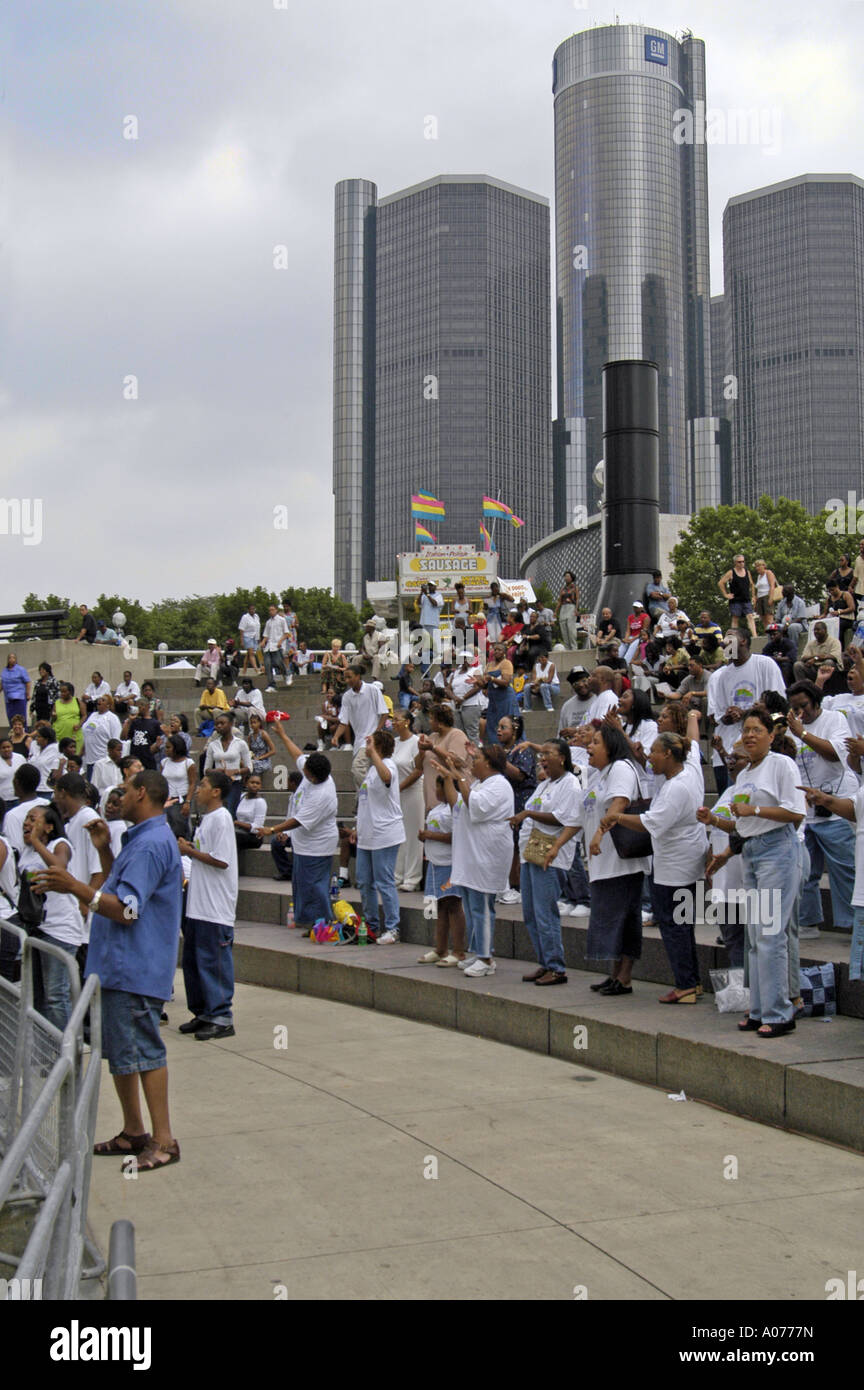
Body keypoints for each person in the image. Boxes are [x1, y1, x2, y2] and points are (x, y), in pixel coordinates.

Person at [37, 769, 183, 1170]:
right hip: (121, 967)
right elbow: (125, 890)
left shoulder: (152, 844)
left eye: (124, 792)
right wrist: (104, 853)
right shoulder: (142, 842)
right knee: (124, 1053)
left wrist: (74, 886)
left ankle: (164, 1140)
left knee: (145, 1050)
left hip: (134, 967)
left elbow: (128, 909)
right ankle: (135, 1131)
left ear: (142, 793)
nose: (116, 798)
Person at [708, 710, 805, 1036]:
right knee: (754, 936)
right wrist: (715, 822)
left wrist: (756, 809)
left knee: (771, 934)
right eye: (746, 730)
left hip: (778, 850)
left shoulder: (781, 765)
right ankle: (760, 1008)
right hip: (750, 850)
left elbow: (794, 812)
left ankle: (780, 1012)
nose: (749, 735)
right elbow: (743, 823)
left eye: (756, 730)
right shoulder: (745, 773)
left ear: (771, 734)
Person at [602, 733, 708, 1004]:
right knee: (682, 926)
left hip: (675, 866)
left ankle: (685, 984)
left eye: (654, 752)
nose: (649, 757)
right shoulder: (688, 773)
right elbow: (693, 741)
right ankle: (691, 981)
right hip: (684, 860)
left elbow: (652, 823)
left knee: (674, 926)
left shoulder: (676, 787)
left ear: (669, 754)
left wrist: (618, 817)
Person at [433, 743, 514, 977]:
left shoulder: (499, 785)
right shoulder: (479, 784)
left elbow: (476, 806)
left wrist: (459, 777)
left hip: (486, 858)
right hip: (471, 857)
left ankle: (486, 958)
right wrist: (449, 778)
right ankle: (479, 953)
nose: (472, 762)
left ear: (488, 763)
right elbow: (457, 805)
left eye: (476, 758)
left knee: (482, 909)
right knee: (472, 907)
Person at [786, 680, 857, 940]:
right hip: (807, 810)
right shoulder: (791, 726)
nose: (800, 713)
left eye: (803, 706)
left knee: (844, 868)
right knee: (806, 871)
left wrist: (802, 733)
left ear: (816, 701)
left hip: (835, 804)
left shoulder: (834, 720)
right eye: (794, 708)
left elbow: (834, 754)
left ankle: (852, 924)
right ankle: (808, 922)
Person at [513, 740, 582, 985]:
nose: (542, 759)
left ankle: (556, 967)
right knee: (530, 913)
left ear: (563, 757)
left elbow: (564, 819)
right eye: (541, 755)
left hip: (551, 856)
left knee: (545, 913)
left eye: (548, 754)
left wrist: (528, 813)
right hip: (532, 853)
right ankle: (544, 962)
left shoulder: (570, 785)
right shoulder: (547, 784)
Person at [176, 771, 238, 1040]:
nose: (197, 789)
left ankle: (222, 1016)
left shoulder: (222, 818)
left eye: (202, 785)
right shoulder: (207, 820)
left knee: (214, 962)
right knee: (195, 961)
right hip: (198, 905)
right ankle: (203, 1013)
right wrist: (192, 848)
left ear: (216, 792)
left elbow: (221, 859)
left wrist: (189, 852)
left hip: (215, 907)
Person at [264, 723, 338, 922]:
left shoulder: (322, 794)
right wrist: (282, 734)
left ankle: (324, 922)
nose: (302, 770)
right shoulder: (314, 771)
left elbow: (297, 821)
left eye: (305, 772)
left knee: (314, 886)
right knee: (302, 885)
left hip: (317, 846)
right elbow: (297, 755)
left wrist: (271, 829)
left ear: (313, 777)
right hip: (303, 844)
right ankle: (312, 922)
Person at [17, 802, 81, 1030]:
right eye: (26, 818)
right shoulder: (26, 851)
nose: (27, 823)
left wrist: (35, 842)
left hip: (60, 930)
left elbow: (59, 869)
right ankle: (49, 1055)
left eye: (33, 819)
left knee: (56, 996)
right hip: (37, 929)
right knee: (38, 998)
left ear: (49, 827)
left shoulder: (59, 844)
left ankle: (67, 1054)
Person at [706, 630, 786, 794]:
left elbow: (779, 707)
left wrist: (744, 713)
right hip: (733, 749)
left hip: (762, 748)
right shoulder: (722, 675)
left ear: (742, 641)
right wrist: (730, 716)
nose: (724, 643)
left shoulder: (765, 664)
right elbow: (720, 717)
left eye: (730, 638)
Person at [353, 728, 405, 943]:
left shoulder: (387, 765)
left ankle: (393, 928)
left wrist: (373, 753)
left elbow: (388, 777)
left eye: (370, 742)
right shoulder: (371, 770)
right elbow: (366, 803)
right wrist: (357, 828)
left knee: (384, 881)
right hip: (367, 835)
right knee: (364, 882)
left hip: (385, 833)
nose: (367, 746)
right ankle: (372, 925)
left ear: (379, 746)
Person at [417, 774, 468, 965]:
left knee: (453, 906)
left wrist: (432, 835)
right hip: (434, 864)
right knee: (437, 906)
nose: (436, 791)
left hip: (449, 865)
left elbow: (457, 836)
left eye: (439, 787)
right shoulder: (436, 809)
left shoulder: (456, 809)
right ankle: (440, 949)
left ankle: (458, 951)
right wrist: (425, 837)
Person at [497, 716, 536, 904]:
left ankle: (521, 886)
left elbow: (521, 775)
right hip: (507, 800)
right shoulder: (503, 750)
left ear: (515, 729)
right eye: (498, 727)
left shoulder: (523, 748)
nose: (498, 730)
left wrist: (500, 760)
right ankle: (511, 886)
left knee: (520, 843)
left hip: (523, 799)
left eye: (503, 727)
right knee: (509, 844)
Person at [332, 663, 389, 788]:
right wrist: (336, 736)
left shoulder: (373, 690)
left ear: (358, 676)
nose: (347, 680)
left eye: (350, 677)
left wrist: (376, 732)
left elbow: (384, 713)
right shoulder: (347, 696)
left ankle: (371, 792)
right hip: (358, 741)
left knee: (358, 767)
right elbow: (343, 721)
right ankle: (363, 800)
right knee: (362, 773)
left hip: (371, 739)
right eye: (345, 678)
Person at [391, 710, 423, 892]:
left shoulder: (416, 742)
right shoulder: (394, 743)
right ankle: (397, 875)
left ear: (407, 722)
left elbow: (418, 771)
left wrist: (400, 788)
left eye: (397, 719)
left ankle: (412, 877)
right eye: (393, 719)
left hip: (412, 792)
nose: (393, 722)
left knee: (412, 835)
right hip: (396, 795)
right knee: (398, 834)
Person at [203, 713, 252, 819]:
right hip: (217, 785)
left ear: (230, 724)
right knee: (216, 814)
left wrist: (235, 771)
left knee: (229, 813)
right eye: (216, 724)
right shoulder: (213, 745)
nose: (219, 726)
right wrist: (217, 771)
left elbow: (249, 768)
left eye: (222, 723)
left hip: (234, 783)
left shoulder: (240, 743)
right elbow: (206, 770)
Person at [477, 642, 519, 744]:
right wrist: (478, 682)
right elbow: (485, 685)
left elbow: (505, 682)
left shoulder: (506, 663)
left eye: (499, 650)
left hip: (505, 699)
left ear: (504, 652)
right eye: (495, 649)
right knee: (493, 726)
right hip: (494, 700)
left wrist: (491, 678)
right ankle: (496, 750)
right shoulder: (489, 664)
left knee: (508, 725)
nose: (496, 652)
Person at [268, 770, 302, 881]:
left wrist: (288, 834)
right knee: (275, 842)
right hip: (290, 831)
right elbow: (289, 818)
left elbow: (299, 821)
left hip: (301, 833)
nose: (286, 784)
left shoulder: (303, 797)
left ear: (293, 783)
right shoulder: (291, 796)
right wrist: (282, 833)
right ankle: (286, 872)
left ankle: (299, 873)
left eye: (287, 781)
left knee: (296, 843)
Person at [81, 695, 123, 781]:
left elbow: (116, 740)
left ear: (108, 705)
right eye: (99, 699)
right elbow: (87, 734)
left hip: (103, 759)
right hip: (89, 759)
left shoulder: (112, 718)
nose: (99, 701)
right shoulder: (93, 715)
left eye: (103, 700)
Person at [718, 554, 758, 639]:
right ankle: (734, 636)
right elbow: (721, 583)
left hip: (746, 598)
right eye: (739, 562)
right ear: (735, 563)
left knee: (750, 616)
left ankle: (755, 635)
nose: (742, 564)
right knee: (735, 618)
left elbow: (752, 584)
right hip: (735, 599)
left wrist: (754, 596)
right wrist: (726, 594)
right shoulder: (731, 572)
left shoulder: (747, 572)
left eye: (743, 561)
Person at [161, 734, 197, 820]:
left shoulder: (188, 763)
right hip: (167, 799)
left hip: (181, 799)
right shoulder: (164, 762)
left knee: (180, 827)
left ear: (177, 748)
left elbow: (192, 783)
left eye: (168, 747)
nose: (166, 750)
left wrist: (187, 802)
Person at [122, 697, 163, 771]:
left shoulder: (155, 723)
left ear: (147, 706)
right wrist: (129, 721)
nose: (139, 708)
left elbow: (160, 742)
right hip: (135, 760)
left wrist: (155, 747)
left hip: (148, 761)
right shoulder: (135, 722)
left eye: (140, 706)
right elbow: (124, 737)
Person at [234, 774, 268, 850]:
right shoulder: (241, 797)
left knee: (234, 837)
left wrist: (237, 823)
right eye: (252, 782)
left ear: (260, 786)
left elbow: (257, 827)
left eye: (257, 783)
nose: (255, 785)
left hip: (253, 836)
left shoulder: (260, 802)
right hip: (239, 831)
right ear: (246, 784)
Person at [28, 722, 62, 798]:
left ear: (46, 739)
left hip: (47, 790)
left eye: (39, 737)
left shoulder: (56, 749)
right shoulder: (35, 746)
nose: (36, 739)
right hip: (34, 788)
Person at [262, 603, 290, 691]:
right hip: (269, 646)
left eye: (272, 610)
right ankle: (271, 684)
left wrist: (280, 641)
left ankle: (287, 674)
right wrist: (263, 642)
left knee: (278, 662)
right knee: (267, 665)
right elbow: (266, 635)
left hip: (277, 646)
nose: (271, 612)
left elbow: (286, 633)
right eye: (269, 610)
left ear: (276, 610)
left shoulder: (281, 620)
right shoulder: (268, 622)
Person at [53, 681, 85, 755]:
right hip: (60, 734)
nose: (62, 694)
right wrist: (53, 716)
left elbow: (84, 715)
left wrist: (79, 725)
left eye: (64, 692)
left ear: (70, 692)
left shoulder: (77, 701)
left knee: (75, 757)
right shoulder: (57, 703)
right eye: (61, 692)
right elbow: (53, 718)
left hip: (74, 734)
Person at [558, 667, 593, 735]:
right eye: (576, 683)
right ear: (572, 686)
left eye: (584, 680)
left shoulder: (599, 700)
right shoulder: (567, 706)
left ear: (590, 680)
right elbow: (561, 733)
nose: (581, 685)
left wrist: (576, 730)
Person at [823, 580, 855, 648]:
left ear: (837, 587)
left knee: (838, 626)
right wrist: (819, 617)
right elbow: (825, 613)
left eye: (832, 590)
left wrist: (840, 612)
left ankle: (840, 647)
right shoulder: (829, 599)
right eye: (829, 591)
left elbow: (852, 607)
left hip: (846, 619)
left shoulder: (845, 594)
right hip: (832, 619)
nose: (831, 592)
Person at [0, 736, 26, 817]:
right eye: (3, 748)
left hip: (18, 799)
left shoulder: (20, 758)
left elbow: (26, 775)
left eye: (8, 747)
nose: (6, 749)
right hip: (2, 801)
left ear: (12, 747)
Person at [555, 572, 581, 650]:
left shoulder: (575, 587)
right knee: (563, 628)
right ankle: (567, 648)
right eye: (565, 576)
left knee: (571, 628)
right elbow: (559, 601)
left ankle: (574, 648)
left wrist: (576, 609)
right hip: (563, 608)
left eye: (567, 576)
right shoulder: (562, 589)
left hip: (571, 607)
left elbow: (577, 599)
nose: (566, 578)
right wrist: (556, 611)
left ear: (571, 578)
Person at [238, 603, 262, 677]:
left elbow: (258, 627)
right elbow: (241, 629)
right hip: (247, 636)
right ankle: (256, 670)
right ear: (248, 610)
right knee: (251, 653)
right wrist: (242, 640)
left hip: (255, 637)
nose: (252, 610)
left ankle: (244, 671)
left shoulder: (257, 616)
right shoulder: (245, 617)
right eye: (251, 609)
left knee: (248, 655)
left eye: (253, 609)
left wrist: (259, 638)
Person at [753, 559, 778, 627]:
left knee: (769, 617)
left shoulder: (768, 573)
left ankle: (774, 633)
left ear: (763, 566)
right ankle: (767, 634)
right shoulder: (759, 576)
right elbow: (758, 589)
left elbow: (772, 586)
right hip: (760, 598)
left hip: (767, 596)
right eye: (756, 567)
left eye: (758, 566)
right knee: (763, 618)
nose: (757, 568)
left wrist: (771, 598)